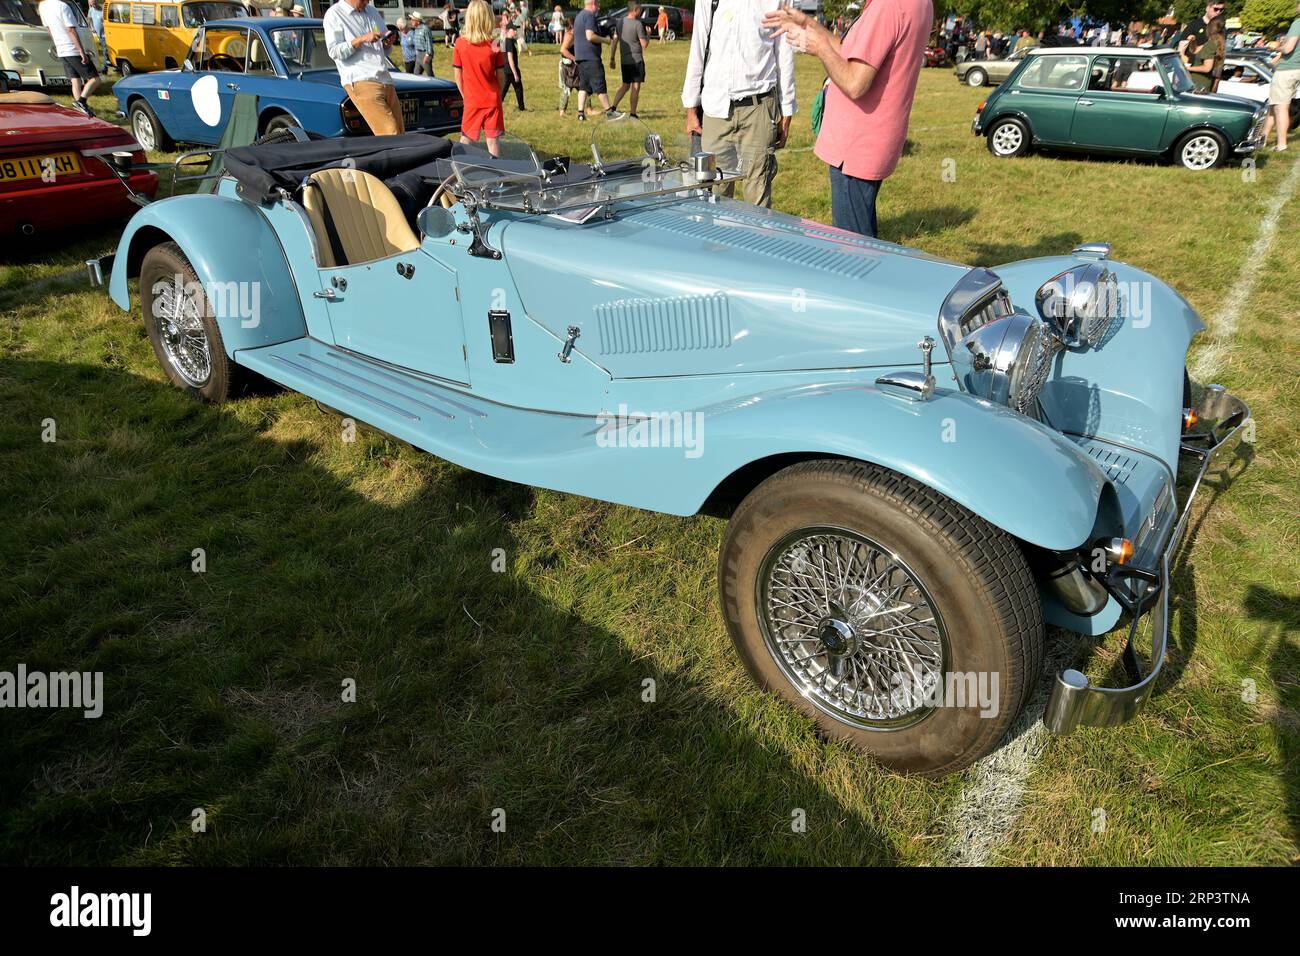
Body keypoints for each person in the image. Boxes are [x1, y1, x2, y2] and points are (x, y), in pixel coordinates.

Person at [764, 0, 930, 238]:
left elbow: (855, 83)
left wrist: (820, 48)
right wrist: (811, 25)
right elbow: (851, 51)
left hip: (856, 146)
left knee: (853, 248)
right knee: (863, 237)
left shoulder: (888, 6)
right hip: (873, 142)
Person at [682, 0, 796, 209]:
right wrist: (691, 108)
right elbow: (698, 42)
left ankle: (755, 241)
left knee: (757, 195)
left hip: (759, 107)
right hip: (717, 107)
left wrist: (787, 110)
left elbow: (785, 50)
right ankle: (718, 243)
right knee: (715, 195)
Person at [324, 0, 404, 135]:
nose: (368, 1)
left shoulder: (372, 11)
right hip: (361, 80)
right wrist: (361, 39)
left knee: (400, 133)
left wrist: (387, 43)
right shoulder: (334, 14)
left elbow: (382, 49)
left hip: (385, 79)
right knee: (390, 133)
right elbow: (334, 52)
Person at [453, 0, 505, 155]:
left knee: (466, 139)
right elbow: (501, 77)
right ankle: (496, 176)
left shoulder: (460, 43)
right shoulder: (495, 44)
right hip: (492, 100)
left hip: (471, 100)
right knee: (493, 141)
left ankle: (460, 170)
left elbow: (458, 76)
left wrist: (465, 95)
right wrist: (497, 94)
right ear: (488, 18)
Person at [38, 0, 100, 116]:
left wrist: (57, 44)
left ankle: (81, 110)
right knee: (95, 79)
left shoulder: (43, 6)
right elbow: (71, 29)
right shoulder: (63, 6)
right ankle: (81, 102)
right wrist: (81, 51)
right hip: (72, 48)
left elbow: (49, 29)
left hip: (61, 49)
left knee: (75, 80)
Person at [573, 0, 622, 120]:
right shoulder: (590, 16)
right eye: (598, 4)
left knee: (584, 86)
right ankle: (610, 113)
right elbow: (590, 36)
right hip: (591, 58)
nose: (599, 7)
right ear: (593, 3)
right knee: (600, 85)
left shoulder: (579, 16)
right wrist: (605, 40)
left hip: (580, 57)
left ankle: (580, 114)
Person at [1266, 2, 1300, 151]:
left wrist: (1275, 47)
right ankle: (1263, 138)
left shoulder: (1297, 23)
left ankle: (1281, 144)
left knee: (1280, 107)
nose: (1297, 6)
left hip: (1287, 70)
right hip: (1296, 68)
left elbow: (1289, 48)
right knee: (1273, 106)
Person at [609, 0, 647, 117]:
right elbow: (644, 44)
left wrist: (612, 58)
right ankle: (633, 114)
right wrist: (648, 35)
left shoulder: (620, 23)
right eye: (640, 9)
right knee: (635, 86)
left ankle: (612, 108)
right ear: (635, 10)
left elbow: (615, 41)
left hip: (624, 61)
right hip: (636, 61)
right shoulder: (637, 24)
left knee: (625, 85)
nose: (641, 11)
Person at [1187, 16, 1225, 92]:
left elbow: (1207, 68)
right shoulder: (1217, 43)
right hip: (1203, 84)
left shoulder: (1211, 44)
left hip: (1199, 86)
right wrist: (1193, 42)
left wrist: (1187, 68)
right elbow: (1196, 50)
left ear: (1209, 28)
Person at [500, 17, 525, 109]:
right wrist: (515, 73)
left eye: (515, 29)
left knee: (517, 89)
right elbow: (510, 58)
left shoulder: (507, 41)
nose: (515, 31)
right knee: (506, 90)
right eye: (513, 29)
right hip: (510, 70)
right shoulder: (509, 42)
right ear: (508, 30)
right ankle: (521, 108)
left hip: (507, 70)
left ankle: (521, 108)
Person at [557, 17, 578, 114]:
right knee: (569, 87)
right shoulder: (569, 35)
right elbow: (563, 50)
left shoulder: (571, 34)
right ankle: (562, 111)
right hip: (569, 67)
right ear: (572, 25)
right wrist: (574, 58)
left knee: (582, 86)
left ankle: (588, 108)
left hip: (571, 66)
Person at [410, 11, 433, 75]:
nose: (411, 21)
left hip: (425, 54)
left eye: (412, 20)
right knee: (416, 75)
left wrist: (427, 55)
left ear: (418, 21)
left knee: (430, 74)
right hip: (418, 54)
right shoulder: (416, 29)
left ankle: (434, 84)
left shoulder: (425, 29)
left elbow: (429, 43)